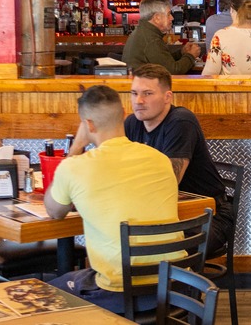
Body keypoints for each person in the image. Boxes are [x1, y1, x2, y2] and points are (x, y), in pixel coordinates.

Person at [46, 84, 183, 314]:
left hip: (120, 292)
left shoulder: (75, 166)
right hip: (174, 286)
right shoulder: (160, 159)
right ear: (124, 116)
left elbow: (54, 211)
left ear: (88, 125)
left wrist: (77, 146)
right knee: (85, 276)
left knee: (43, 294)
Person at [113, 64, 233, 255]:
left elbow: (169, 182)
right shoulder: (132, 123)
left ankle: (176, 285)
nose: (139, 101)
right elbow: (115, 169)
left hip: (208, 217)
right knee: (117, 241)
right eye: (134, 93)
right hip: (163, 216)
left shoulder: (180, 122)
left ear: (167, 97)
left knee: (152, 247)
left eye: (148, 93)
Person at [123, 0, 201, 73]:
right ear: (157, 18)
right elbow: (173, 71)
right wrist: (191, 56)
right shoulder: (152, 40)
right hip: (147, 84)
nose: (172, 18)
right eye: (168, 14)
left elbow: (163, 62)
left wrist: (181, 53)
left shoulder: (144, 32)